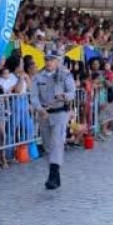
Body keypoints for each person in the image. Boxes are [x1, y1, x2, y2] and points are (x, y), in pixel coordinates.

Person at [31, 51, 76, 190]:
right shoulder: (38, 77)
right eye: (46, 59)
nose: (48, 62)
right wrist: (39, 109)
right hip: (44, 114)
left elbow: (72, 92)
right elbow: (33, 96)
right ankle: (55, 175)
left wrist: (65, 96)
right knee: (48, 146)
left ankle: (52, 174)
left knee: (57, 143)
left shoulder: (65, 75)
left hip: (60, 112)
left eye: (51, 60)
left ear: (57, 61)